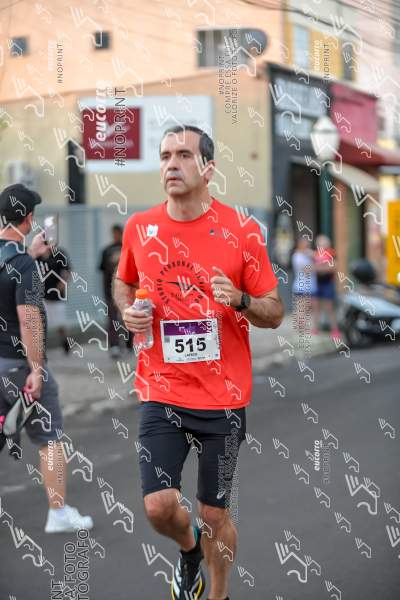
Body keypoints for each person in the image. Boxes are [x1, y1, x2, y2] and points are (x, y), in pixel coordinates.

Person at [113, 126, 284, 600]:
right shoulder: (140, 227)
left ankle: (219, 593)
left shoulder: (241, 231)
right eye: (165, 155)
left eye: (184, 155)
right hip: (161, 388)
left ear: (208, 169)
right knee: (158, 506)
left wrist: (242, 299)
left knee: (213, 513)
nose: (171, 163)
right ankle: (190, 553)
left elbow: (274, 312)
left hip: (223, 396)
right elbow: (124, 281)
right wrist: (127, 311)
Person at [0, 183, 93, 533]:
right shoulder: (23, 265)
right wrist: (37, 371)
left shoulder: (17, 259)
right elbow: (29, 320)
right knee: (49, 439)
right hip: (18, 367)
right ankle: (58, 513)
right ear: (28, 218)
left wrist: (31, 253)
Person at [37, 244, 71, 354]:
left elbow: (66, 272)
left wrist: (62, 284)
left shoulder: (59, 254)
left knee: (60, 323)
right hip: (42, 295)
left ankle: (65, 342)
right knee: (41, 322)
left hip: (57, 295)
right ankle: (40, 348)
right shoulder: (38, 255)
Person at [99, 224, 125, 358]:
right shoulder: (107, 251)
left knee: (128, 318)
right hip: (111, 292)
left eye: (117, 233)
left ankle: (129, 343)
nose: (115, 236)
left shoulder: (127, 248)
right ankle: (114, 346)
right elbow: (103, 273)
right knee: (112, 320)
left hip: (126, 292)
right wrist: (106, 292)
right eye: (113, 233)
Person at [313, 234, 340, 338]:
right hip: (317, 283)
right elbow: (310, 267)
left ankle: (335, 330)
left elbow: (333, 267)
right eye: (319, 242)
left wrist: (319, 268)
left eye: (323, 242)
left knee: (329, 308)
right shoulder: (315, 254)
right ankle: (315, 328)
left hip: (328, 283)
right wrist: (323, 267)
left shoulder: (331, 252)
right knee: (316, 307)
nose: (321, 244)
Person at [291, 237, 317, 334]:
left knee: (308, 308)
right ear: (300, 244)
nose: (307, 246)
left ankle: (303, 327)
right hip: (301, 286)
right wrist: (319, 267)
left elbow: (318, 258)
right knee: (301, 309)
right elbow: (306, 270)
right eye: (305, 244)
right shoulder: (297, 256)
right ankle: (301, 329)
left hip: (310, 286)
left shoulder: (307, 254)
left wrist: (313, 256)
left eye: (308, 244)